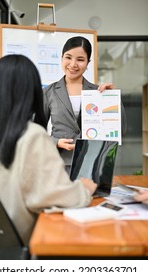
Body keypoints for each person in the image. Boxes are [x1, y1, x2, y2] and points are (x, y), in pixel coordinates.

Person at [0, 54, 97, 245]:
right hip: (21, 251)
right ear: (31, 92)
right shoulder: (32, 136)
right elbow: (58, 195)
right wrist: (85, 189)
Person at [43, 36, 127, 174]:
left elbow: (120, 130)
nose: (73, 64)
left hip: (92, 163)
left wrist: (113, 99)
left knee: (91, 196)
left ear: (88, 62)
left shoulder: (98, 92)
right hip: (57, 164)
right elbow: (35, 131)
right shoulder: (48, 92)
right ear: (62, 58)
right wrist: (56, 142)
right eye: (68, 57)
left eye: (80, 59)